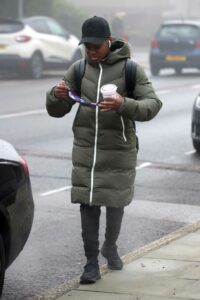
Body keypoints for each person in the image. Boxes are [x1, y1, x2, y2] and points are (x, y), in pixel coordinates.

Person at [46, 16, 162, 284]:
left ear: (109, 42)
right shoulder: (78, 69)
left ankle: (110, 246)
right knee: (87, 204)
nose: (91, 50)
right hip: (87, 150)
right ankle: (90, 264)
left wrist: (123, 103)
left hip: (119, 150)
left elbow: (152, 105)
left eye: (96, 45)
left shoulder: (131, 70)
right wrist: (57, 95)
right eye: (87, 45)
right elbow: (56, 110)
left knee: (115, 203)